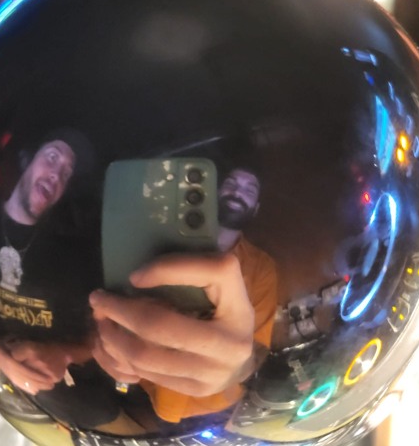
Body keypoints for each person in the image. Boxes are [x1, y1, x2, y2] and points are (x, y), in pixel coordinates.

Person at [0, 129, 129, 430]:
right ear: (27, 161)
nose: (56, 175)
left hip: (68, 410)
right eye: (52, 157)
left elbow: (97, 335)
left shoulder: (72, 256)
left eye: (66, 173)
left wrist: (62, 354)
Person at [90, 165, 279, 425]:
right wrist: (103, 337)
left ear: (256, 208)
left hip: (210, 410)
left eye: (249, 190)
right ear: (211, 192)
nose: (238, 192)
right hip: (141, 391)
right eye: (231, 183)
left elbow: (259, 350)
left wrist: (238, 369)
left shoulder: (262, 268)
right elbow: (111, 297)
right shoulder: (153, 240)